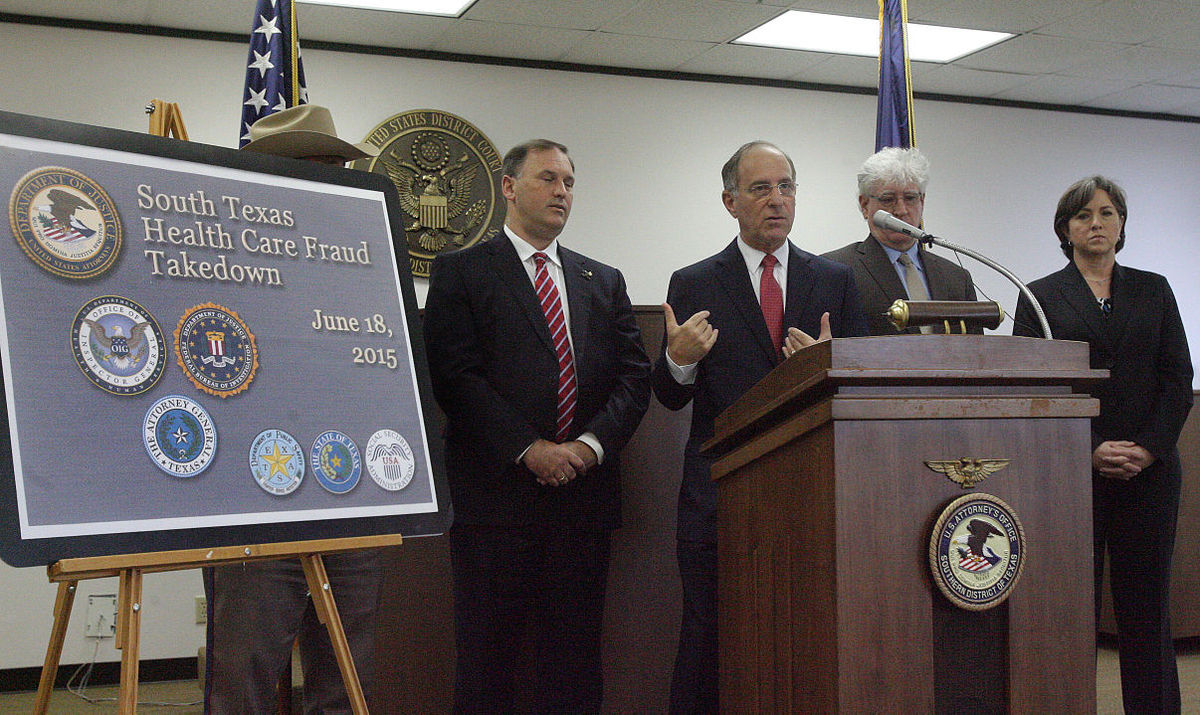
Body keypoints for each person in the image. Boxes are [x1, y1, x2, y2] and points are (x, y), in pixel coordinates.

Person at [423, 139, 651, 712]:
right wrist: (529, 449)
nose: (562, 192)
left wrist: (590, 446)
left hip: (583, 501)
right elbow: (457, 379)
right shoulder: (463, 273)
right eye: (548, 178)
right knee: (488, 661)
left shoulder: (603, 279)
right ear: (508, 186)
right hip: (496, 504)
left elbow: (633, 377)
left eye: (570, 182)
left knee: (573, 661)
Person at [652, 141, 868, 712]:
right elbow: (672, 397)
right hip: (719, 495)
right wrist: (679, 358)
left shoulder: (837, 281)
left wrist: (829, 365)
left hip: (811, 495)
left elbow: (862, 395)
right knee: (708, 643)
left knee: (805, 642)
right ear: (730, 201)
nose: (777, 200)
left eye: (787, 187)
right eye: (760, 188)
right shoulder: (695, 281)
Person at [203, 104, 384, 714]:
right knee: (242, 681)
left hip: (351, 496)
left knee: (345, 682)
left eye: (337, 164)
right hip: (255, 504)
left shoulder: (365, 262)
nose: (337, 176)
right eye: (326, 163)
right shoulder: (217, 257)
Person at [1013, 175, 1192, 714]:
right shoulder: (1039, 296)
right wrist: (1089, 448)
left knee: (1146, 611)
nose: (1098, 223)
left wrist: (1148, 448)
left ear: (1122, 225)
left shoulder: (1153, 288)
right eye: (1085, 215)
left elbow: (1177, 379)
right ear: (1065, 229)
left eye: (1109, 213)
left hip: (1149, 472)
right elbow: (1031, 387)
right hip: (1072, 471)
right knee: (1071, 610)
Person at [823, 146, 978, 335]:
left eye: (910, 198)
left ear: (922, 201)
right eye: (888, 199)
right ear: (865, 205)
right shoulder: (833, 271)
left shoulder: (956, 278)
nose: (901, 210)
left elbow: (976, 354)